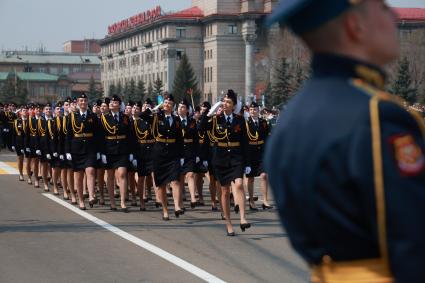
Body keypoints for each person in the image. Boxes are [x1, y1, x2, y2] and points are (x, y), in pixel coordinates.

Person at [264, 1, 425, 282]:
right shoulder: (378, 115)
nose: (394, 15)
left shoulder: (291, 119)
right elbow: (414, 238)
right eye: (384, 8)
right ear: (355, 25)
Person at [201, 90, 251, 236]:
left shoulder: (239, 120)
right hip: (220, 158)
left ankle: (242, 218)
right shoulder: (215, 119)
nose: (225, 104)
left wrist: (247, 163)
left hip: (236, 157)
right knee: (224, 190)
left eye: (228, 102)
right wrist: (209, 113)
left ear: (234, 105)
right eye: (223, 101)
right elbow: (201, 127)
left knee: (240, 184)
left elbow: (245, 142)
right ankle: (228, 223)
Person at [151, 94, 185, 220]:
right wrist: (156, 108)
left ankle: (177, 206)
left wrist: (181, 155)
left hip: (173, 153)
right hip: (159, 154)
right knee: (161, 185)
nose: (167, 105)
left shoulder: (176, 120)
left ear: (173, 106)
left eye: (169, 103)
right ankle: (165, 210)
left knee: (175, 180)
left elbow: (180, 139)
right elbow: (143, 115)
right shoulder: (156, 116)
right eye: (165, 103)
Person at [65, 93, 99, 210]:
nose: (83, 103)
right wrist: (68, 151)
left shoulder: (92, 116)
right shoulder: (72, 116)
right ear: (78, 103)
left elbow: (97, 134)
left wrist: (98, 150)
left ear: (87, 102)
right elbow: (68, 135)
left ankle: (90, 195)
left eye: (85, 100)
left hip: (90, 148)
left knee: (90, 170)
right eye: (81, 101)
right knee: (78, 176)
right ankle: (80, 200)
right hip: (76, 149)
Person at [99, 95, 133, 212]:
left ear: (119, 104)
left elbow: (130, 136)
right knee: (110, 176)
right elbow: (101, 137)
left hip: (122, 149)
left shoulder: (125, 118)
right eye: (111, 102)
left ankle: (123, 202)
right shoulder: (104, 118)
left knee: (122, 174)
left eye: (115, 102)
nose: (112, 103)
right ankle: (112, 202)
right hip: (109, 149)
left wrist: (131, 152)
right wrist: (102, 153)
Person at [245, 102, 272, 210]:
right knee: (250, 178)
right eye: (251, 110)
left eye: (255, 109)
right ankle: (251, 201)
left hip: (261, 152)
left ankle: (265, 201)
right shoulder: (246, 123)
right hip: (250, 152)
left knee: (264, 175)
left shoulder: (263, 122)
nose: (253, 111)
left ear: (258, 110)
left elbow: (267, 137)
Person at [177, 99, 200, 209]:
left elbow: (196, 139)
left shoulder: (192, 122)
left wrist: (197, 154)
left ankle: (192, 198)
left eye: (183, 107)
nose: (180, 109)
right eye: (179, 107)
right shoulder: (175, 121)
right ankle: (180, 201)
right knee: (180, 178)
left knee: (190, 174)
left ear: (187, 110)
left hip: (190, 151)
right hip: (178, 151)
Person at [11, 105, 27, 181]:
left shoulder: (30, 120)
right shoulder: (17, 121)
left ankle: (29, 174)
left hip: (28, 143)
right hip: (19, 143)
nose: (25, 112)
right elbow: (13, 134)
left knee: (29, 159)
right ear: (20, 112)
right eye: (23, 110)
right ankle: (21, 174)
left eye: (26, 110)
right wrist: (13, 144)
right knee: (20, 159)